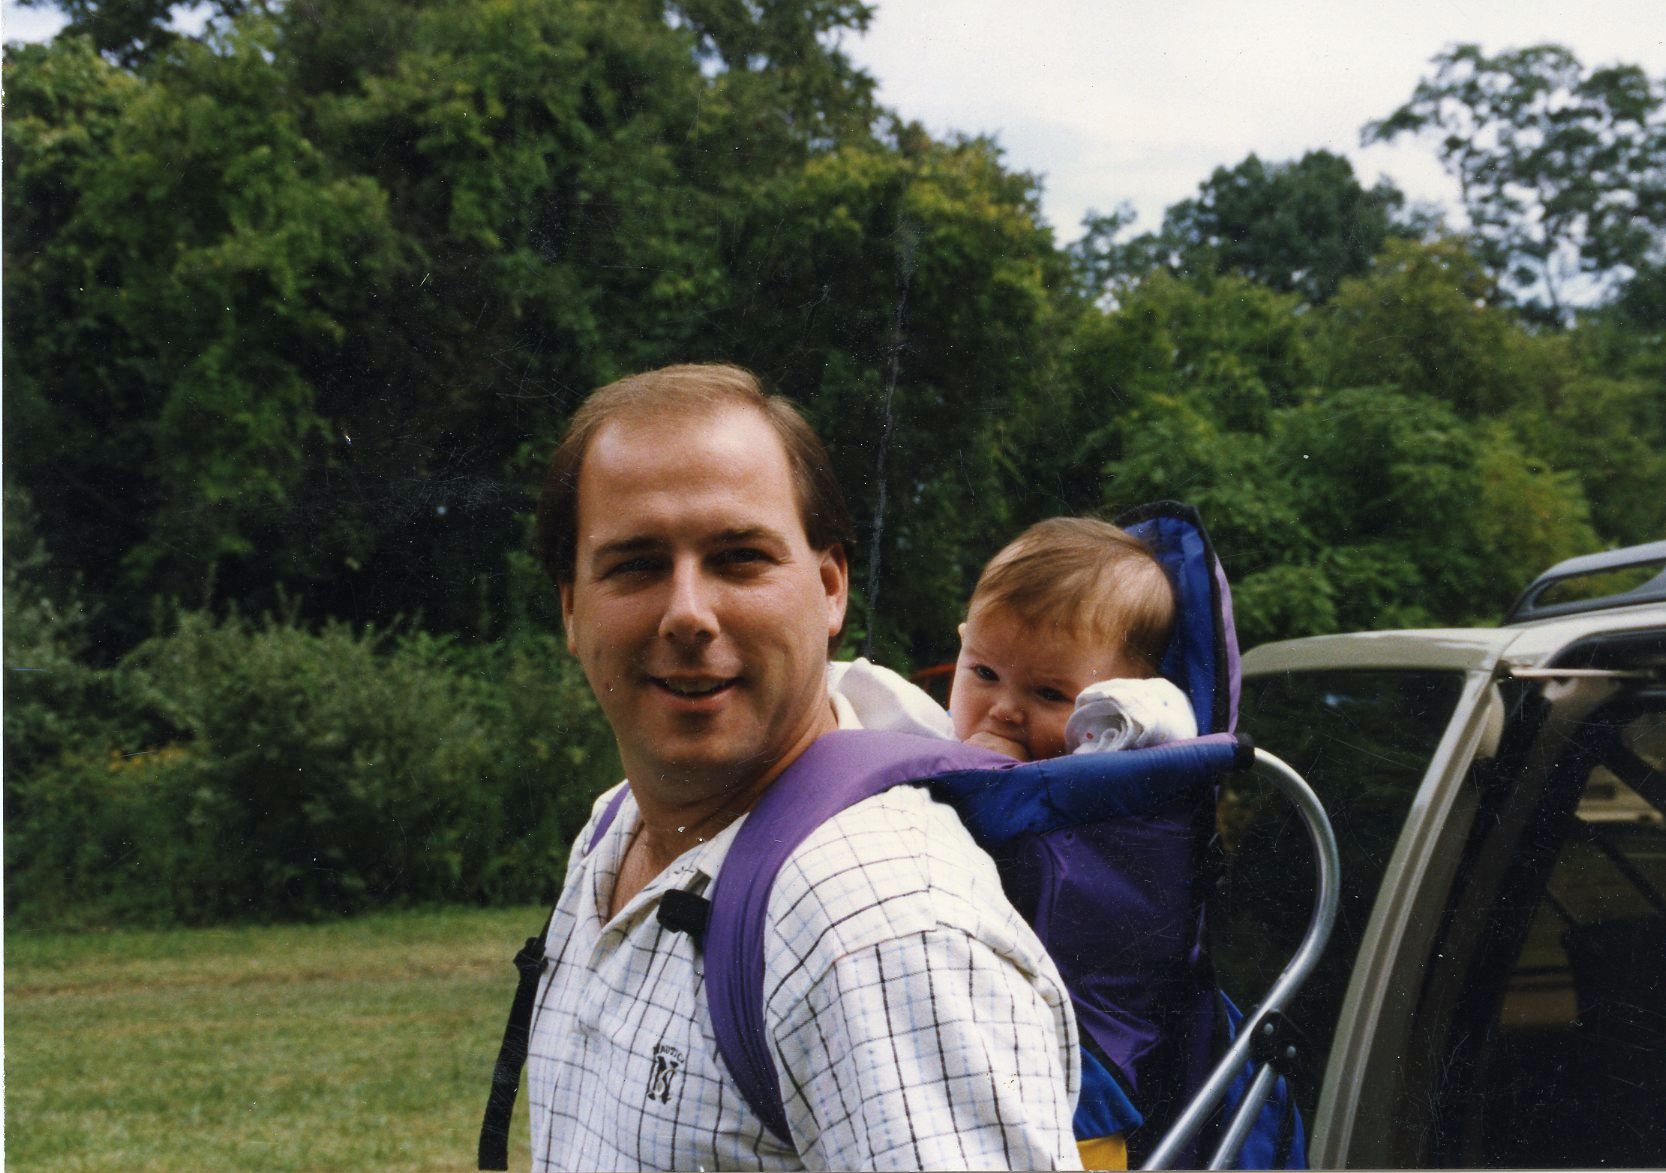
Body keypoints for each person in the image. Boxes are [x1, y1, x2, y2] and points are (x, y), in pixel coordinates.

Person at [522, 363, 1083, 1172]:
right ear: (572, 607)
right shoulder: (613, 826)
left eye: (739, 556)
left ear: (828, 587)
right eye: (636, 564)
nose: (687, 611)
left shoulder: (879, 922)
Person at [830, 516, 1196, 764]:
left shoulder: (1112, 760)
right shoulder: (922, 728)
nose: (1004, 710)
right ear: (964, 645)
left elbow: (1164, 718)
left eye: (1050, 694)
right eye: (985, 673)